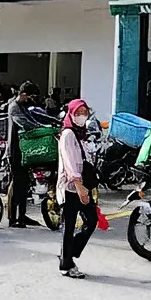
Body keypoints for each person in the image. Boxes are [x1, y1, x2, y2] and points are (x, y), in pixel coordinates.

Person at [57, 99, 99, 279]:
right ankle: (66, 265)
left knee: (91, 220)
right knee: (70, 225)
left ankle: (67, 254)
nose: (82, 115)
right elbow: (69, 163)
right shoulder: (68, 134)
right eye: (78, 112)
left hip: (82, 186)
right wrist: (80, 187)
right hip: (71, 187)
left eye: (84, 112)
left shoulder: (79, 134)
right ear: (71, 113)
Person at [6, 80, 43, 228]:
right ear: (23, 94)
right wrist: (40, 128)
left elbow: (34, 119)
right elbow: (25, 123)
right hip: (16, 151)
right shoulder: (14, 107)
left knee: (25, 185)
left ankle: (22, 216)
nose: (31, 100)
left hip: (25, 151)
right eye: (30, 96)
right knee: (18, 185)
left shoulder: (23, 106)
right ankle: (14, 219)